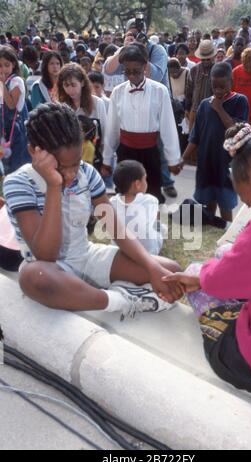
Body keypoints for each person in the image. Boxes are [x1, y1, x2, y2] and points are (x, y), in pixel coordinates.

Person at [3, 103, 182, 318]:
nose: (70, 174)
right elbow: (45, 254)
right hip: (51, 268)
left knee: (170, 271)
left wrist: (151, 267)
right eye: (60, 167)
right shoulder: (18, 183)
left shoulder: (87, 174)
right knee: (35, 277)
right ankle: (120, 300)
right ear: (35, 151)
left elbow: (115, 228)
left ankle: (111, 292)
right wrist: (53, 185)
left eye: (75, 164)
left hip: (86, 256)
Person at [162, 122, 251, 402]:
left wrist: (199, 277)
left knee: (203, 271)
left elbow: (217, 282)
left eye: (247, 201)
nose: (250, 209)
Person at [102, 44, 181, 203]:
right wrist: (106, 159)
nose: (132, 76)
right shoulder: (117, 92)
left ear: (145, 67)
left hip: (150, 152)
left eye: (136, 71)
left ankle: (149, 225)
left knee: (151, 195)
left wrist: (173, 159)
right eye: (127, 71)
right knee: (125, 195)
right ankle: (125, 226)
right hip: (126, 153)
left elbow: (168, 127)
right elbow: (112, 129)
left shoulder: (160, 91)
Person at [182, 62, 249, 222]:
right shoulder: (205, 105)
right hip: (206, 162)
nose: (218, 90)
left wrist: (219, 108)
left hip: (226, 163)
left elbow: (237, 130)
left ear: (231, 82)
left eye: (222, 86)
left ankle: (226, 234)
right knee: (207, 201)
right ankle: (210, 225)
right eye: (214, 86)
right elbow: (195, 136)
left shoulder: (240, 101)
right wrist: (183, 158)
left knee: (225, 203)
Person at [110, 160, 164, 255]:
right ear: (137, 184)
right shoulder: (151, 200)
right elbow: (156, 220)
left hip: (119, 251)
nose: (146, 182)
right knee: (161, 227)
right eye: (145, 179)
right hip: (148, 253)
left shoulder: (111, 202)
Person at [57, 63, 107, 150]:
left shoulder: (97, 103)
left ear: (82, 83)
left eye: (73, 85)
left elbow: (104, 132)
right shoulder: (60, 106)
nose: (70, 90)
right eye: (66, 85)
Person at [0, 46, 31, 174]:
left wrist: (2, 84)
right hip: (4, 128)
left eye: (6, 65)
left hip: (16, 129)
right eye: (0, 66)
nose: (3, 69)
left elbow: (11, 105)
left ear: (13, 64)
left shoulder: (16, 81)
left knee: (17, 165)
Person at [185, 40, 217, 132]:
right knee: (193, 140)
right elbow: (189, 91)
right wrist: (187, 108)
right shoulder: (194, 70)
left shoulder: (218, 70)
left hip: (213, 112)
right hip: (195, 111)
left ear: (213, 56)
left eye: (208, 58)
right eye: (203, 59)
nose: (206, 61)